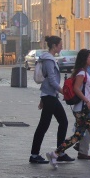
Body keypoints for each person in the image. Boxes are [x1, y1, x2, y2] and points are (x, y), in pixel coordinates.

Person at [46, 49, 90, 170]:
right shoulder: (81, 73)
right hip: (83, 109)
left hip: (82, 107)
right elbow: (76, 89)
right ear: (84, 59)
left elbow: (87, 92)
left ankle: (55, 154)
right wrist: (87, 101)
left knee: (78, 135)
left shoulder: (83, 72)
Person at [28, 36, 70, 164]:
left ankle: (59, 152)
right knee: (46, 125)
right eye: (60, 45)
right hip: (50, 96)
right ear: (54, 46)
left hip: (49, 96)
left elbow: (48, 81)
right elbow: (51, 80)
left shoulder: (48, 58)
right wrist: (64, 92)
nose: (61, 47)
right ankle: (36, 155)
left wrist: (43, 97)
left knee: (60, 122)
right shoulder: (49, 60)